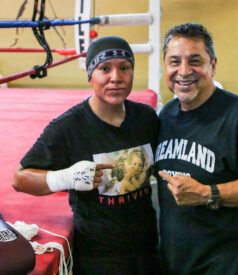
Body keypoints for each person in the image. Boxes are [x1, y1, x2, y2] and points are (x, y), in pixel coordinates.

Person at [11, 36, 160, 275]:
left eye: (125, 68)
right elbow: (20, 179)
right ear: (90, 75)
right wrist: (66, 178)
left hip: (148, 246)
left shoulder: (146, 118)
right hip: (99, 255)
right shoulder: (68, 127)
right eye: (104, 69)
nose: (116, 77)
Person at [154, 22, 238, 275]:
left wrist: (208, 193)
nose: (183, 71)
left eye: (195, 60)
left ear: (212, 65)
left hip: (227, 264)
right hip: (176, 261)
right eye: (174, 62)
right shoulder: (167, 115)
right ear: (165, 67)